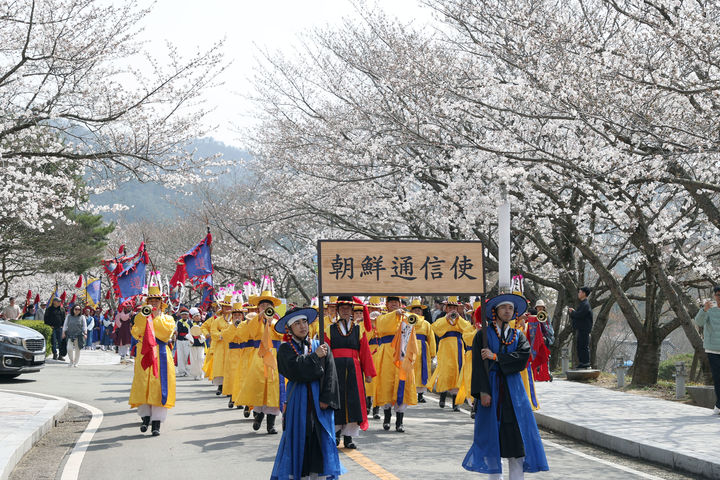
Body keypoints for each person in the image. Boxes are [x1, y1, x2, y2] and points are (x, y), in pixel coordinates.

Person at [463, 292, 549, 479]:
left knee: (517, 444)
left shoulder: (518, 336)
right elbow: (478, 367)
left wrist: (496, 357)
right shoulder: (482, 336)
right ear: (495, 311)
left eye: (511, 308)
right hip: (491, 390)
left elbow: (523, 358)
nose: (507, 311)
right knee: (492, 441)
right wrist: (483, 392)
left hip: (514, 393)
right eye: (503, 307)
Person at [271, 307, 345, 480]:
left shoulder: (319, 346)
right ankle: (300, 474)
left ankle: (319, 475)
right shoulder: (285, 350)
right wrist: (314, 358)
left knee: (320, 438)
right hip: (298, 400)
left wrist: (326, 398)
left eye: (304, 321)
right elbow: (295, 371)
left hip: (319, 401)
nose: (302, 326)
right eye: (297, 323)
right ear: (289, 329)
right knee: (300, 437)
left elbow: (330, 374)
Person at [325, 296, 376, 449]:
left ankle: (349, 437)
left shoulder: (359, 330)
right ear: (338, 311)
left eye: (348, 308)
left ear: (352, 311)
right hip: (335, 368)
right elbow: (326, 351)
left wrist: (368, 373)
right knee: (337, 400)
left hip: (354, 368)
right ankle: (335, 435)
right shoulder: (329, 329)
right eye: (342, 308)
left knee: (353, 401)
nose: (345, 311)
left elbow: (365, 352)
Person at [128, 285, 176, 436]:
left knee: (159, 386)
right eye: (151, 301)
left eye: (157, 301)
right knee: (143, 385)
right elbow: (136, 332)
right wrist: (145, 315)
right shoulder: (141, 316)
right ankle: (145, 418)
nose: (154, 303)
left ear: (161, 303)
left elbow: (165, 333)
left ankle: (156, 423)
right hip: (144, 354)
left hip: (161, 353)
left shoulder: (168, 319)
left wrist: (153, 318)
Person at [237, 288, 284, 434]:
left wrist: (271, 322)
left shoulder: (277, 321)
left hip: (274, 356)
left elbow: (281, 334)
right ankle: (258, 416)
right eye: (262, 306)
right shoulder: (253, 321)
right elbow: (250, 332)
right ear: (258, 308)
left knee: (273, 388)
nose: (265, 309)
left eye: (267, 306)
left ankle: (271, 424)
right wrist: (260, 318)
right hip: (259, 356)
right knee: (258, 386)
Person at [429, 296, 475, 411]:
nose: (452, 310)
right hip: (445, 347)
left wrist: (459, 319)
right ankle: (443, 396)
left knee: (457, 372)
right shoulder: (441, 318)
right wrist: (446, 319)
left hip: (458, 347)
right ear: (446, 308)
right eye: (450, 307)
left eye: (455, 307)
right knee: (445, 371)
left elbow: (467, 329)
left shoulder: (461, 319)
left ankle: (456, 402)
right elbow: (435, 329)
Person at [694, 286, 720, 415]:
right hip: (713, 350)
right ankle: (719, 404)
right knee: (717, 378)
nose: (719, 297)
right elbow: (698, 322)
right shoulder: (709, 310)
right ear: (714, 296)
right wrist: (704, 309)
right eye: (718, 295)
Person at [408, 298, 436, 404]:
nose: (417, 312)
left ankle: (420, 395)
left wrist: (433, 352)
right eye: (415, 310)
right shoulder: (407, 322)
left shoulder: (426, 324)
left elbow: (431, 338)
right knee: (410, 370)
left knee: (423, 370)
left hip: (423, 349)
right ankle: (410, 392)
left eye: (419, 310)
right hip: (410, 347)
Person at [569, 286, 593, 369]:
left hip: (584, 329)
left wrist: (573, 312)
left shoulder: (585, 304)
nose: (578, 294)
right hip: (581, 329)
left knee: (583, 346)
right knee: (580, 346)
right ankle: (582, 362)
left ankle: (586, 363)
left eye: (579, 292)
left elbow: (579, 315)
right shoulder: (583, 304)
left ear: (583, 293)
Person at [188, 307, 206, 380]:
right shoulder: (190, 324)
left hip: (200, 343)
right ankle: (195, 374)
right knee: (194, 359)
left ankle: (201, 373)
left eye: (198, 316)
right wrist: (190, 340)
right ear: (193, 318)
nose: (197, 317)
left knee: (201, 358)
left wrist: (201, 337)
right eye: (195, 316)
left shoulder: (203, 324)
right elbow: (189, 333)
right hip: (193, 344)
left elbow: (204, 333)